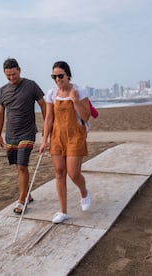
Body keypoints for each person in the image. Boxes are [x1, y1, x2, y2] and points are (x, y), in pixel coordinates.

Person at [39, 61, 91, 224]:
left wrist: (75, 101)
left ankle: (84, 191)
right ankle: (63, 211)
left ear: (68, 75)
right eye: (54, 76)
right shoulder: (51, 94)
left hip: (75, 135)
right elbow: (48, 119)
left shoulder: (79, 91)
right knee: (59, 173)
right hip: (57, 136)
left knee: (73, 173)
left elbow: (86, 116)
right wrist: (44, 140)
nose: (57, 79)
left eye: (60, 76)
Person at [0, 58, 46, 214]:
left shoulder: (31, 85)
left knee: (23, 165)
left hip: (27, 132)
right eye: (8, 76)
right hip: (11, 135)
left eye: (14, 74)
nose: (11, 78)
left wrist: (47, 126)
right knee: (18, 166)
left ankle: (21, 200)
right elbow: (0, 112)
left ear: (20, 70)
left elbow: (43, 105)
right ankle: (27, 193)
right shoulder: (3, 90)